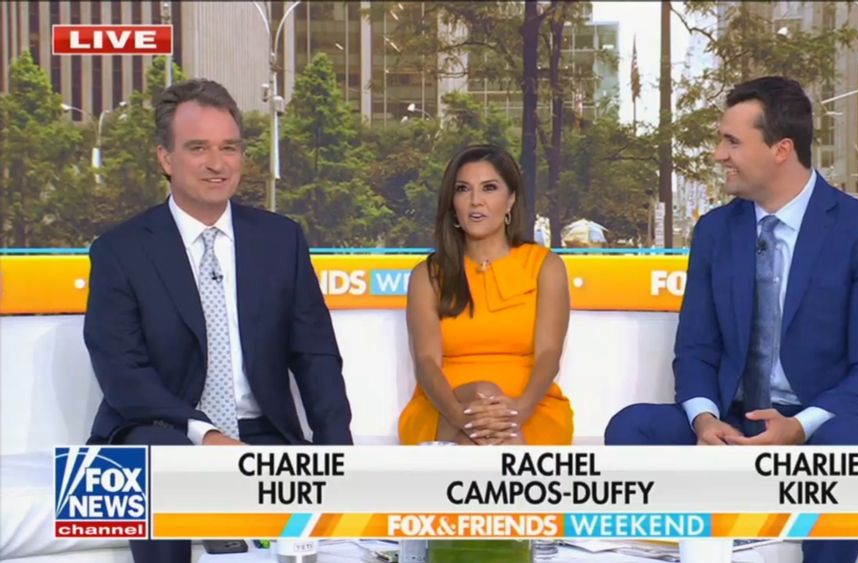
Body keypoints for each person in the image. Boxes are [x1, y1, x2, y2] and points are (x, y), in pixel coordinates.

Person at [604, 76, 858, 563]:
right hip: (739, 422)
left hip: (830, 425)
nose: (718, 155)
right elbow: (696, 349)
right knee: (632, 427)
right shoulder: (715, 231)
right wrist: (705, 420)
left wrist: (799, 427)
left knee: (844, 443)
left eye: (732, 142)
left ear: (781, 149)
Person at [83, 79, 353, 563]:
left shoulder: (280, 240)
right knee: (163, 462)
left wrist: (338, 456)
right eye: (198, 148)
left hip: (261, 433)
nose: (217, 163)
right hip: (160, 433)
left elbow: (315, 356)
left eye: (229, 147)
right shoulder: (120, 251)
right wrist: (204, 434)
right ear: (166, 158)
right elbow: (123, 374)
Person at [399, 144, 573, 446]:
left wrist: (519, 410)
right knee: (485, 397)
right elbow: (426, 362)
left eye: (489, 188)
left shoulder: (546, 267)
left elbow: (549, 355)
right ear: (452, 203)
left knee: (485, 433)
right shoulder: (428, 275)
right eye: (463, 189)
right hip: (443, 409)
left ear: (510, 200)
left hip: (531, 408)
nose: (475, 201)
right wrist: (458, 416)